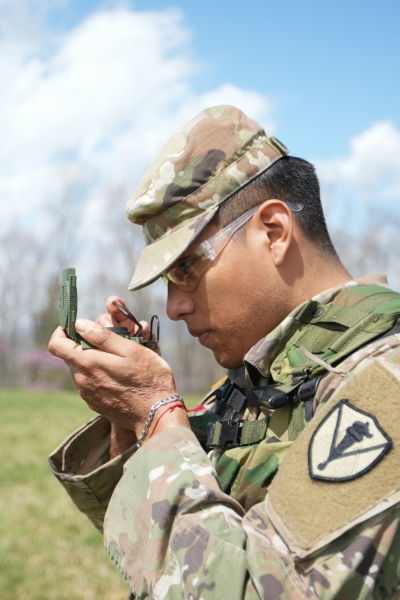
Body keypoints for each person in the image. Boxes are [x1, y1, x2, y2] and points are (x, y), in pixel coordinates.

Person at [49, 105, 400, 599]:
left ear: (274, 232)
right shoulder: (254, 383)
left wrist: (156, 414)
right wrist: (128, 419)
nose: (173, 307)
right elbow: (162, 557)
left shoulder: (386, 386)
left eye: (187, 268)